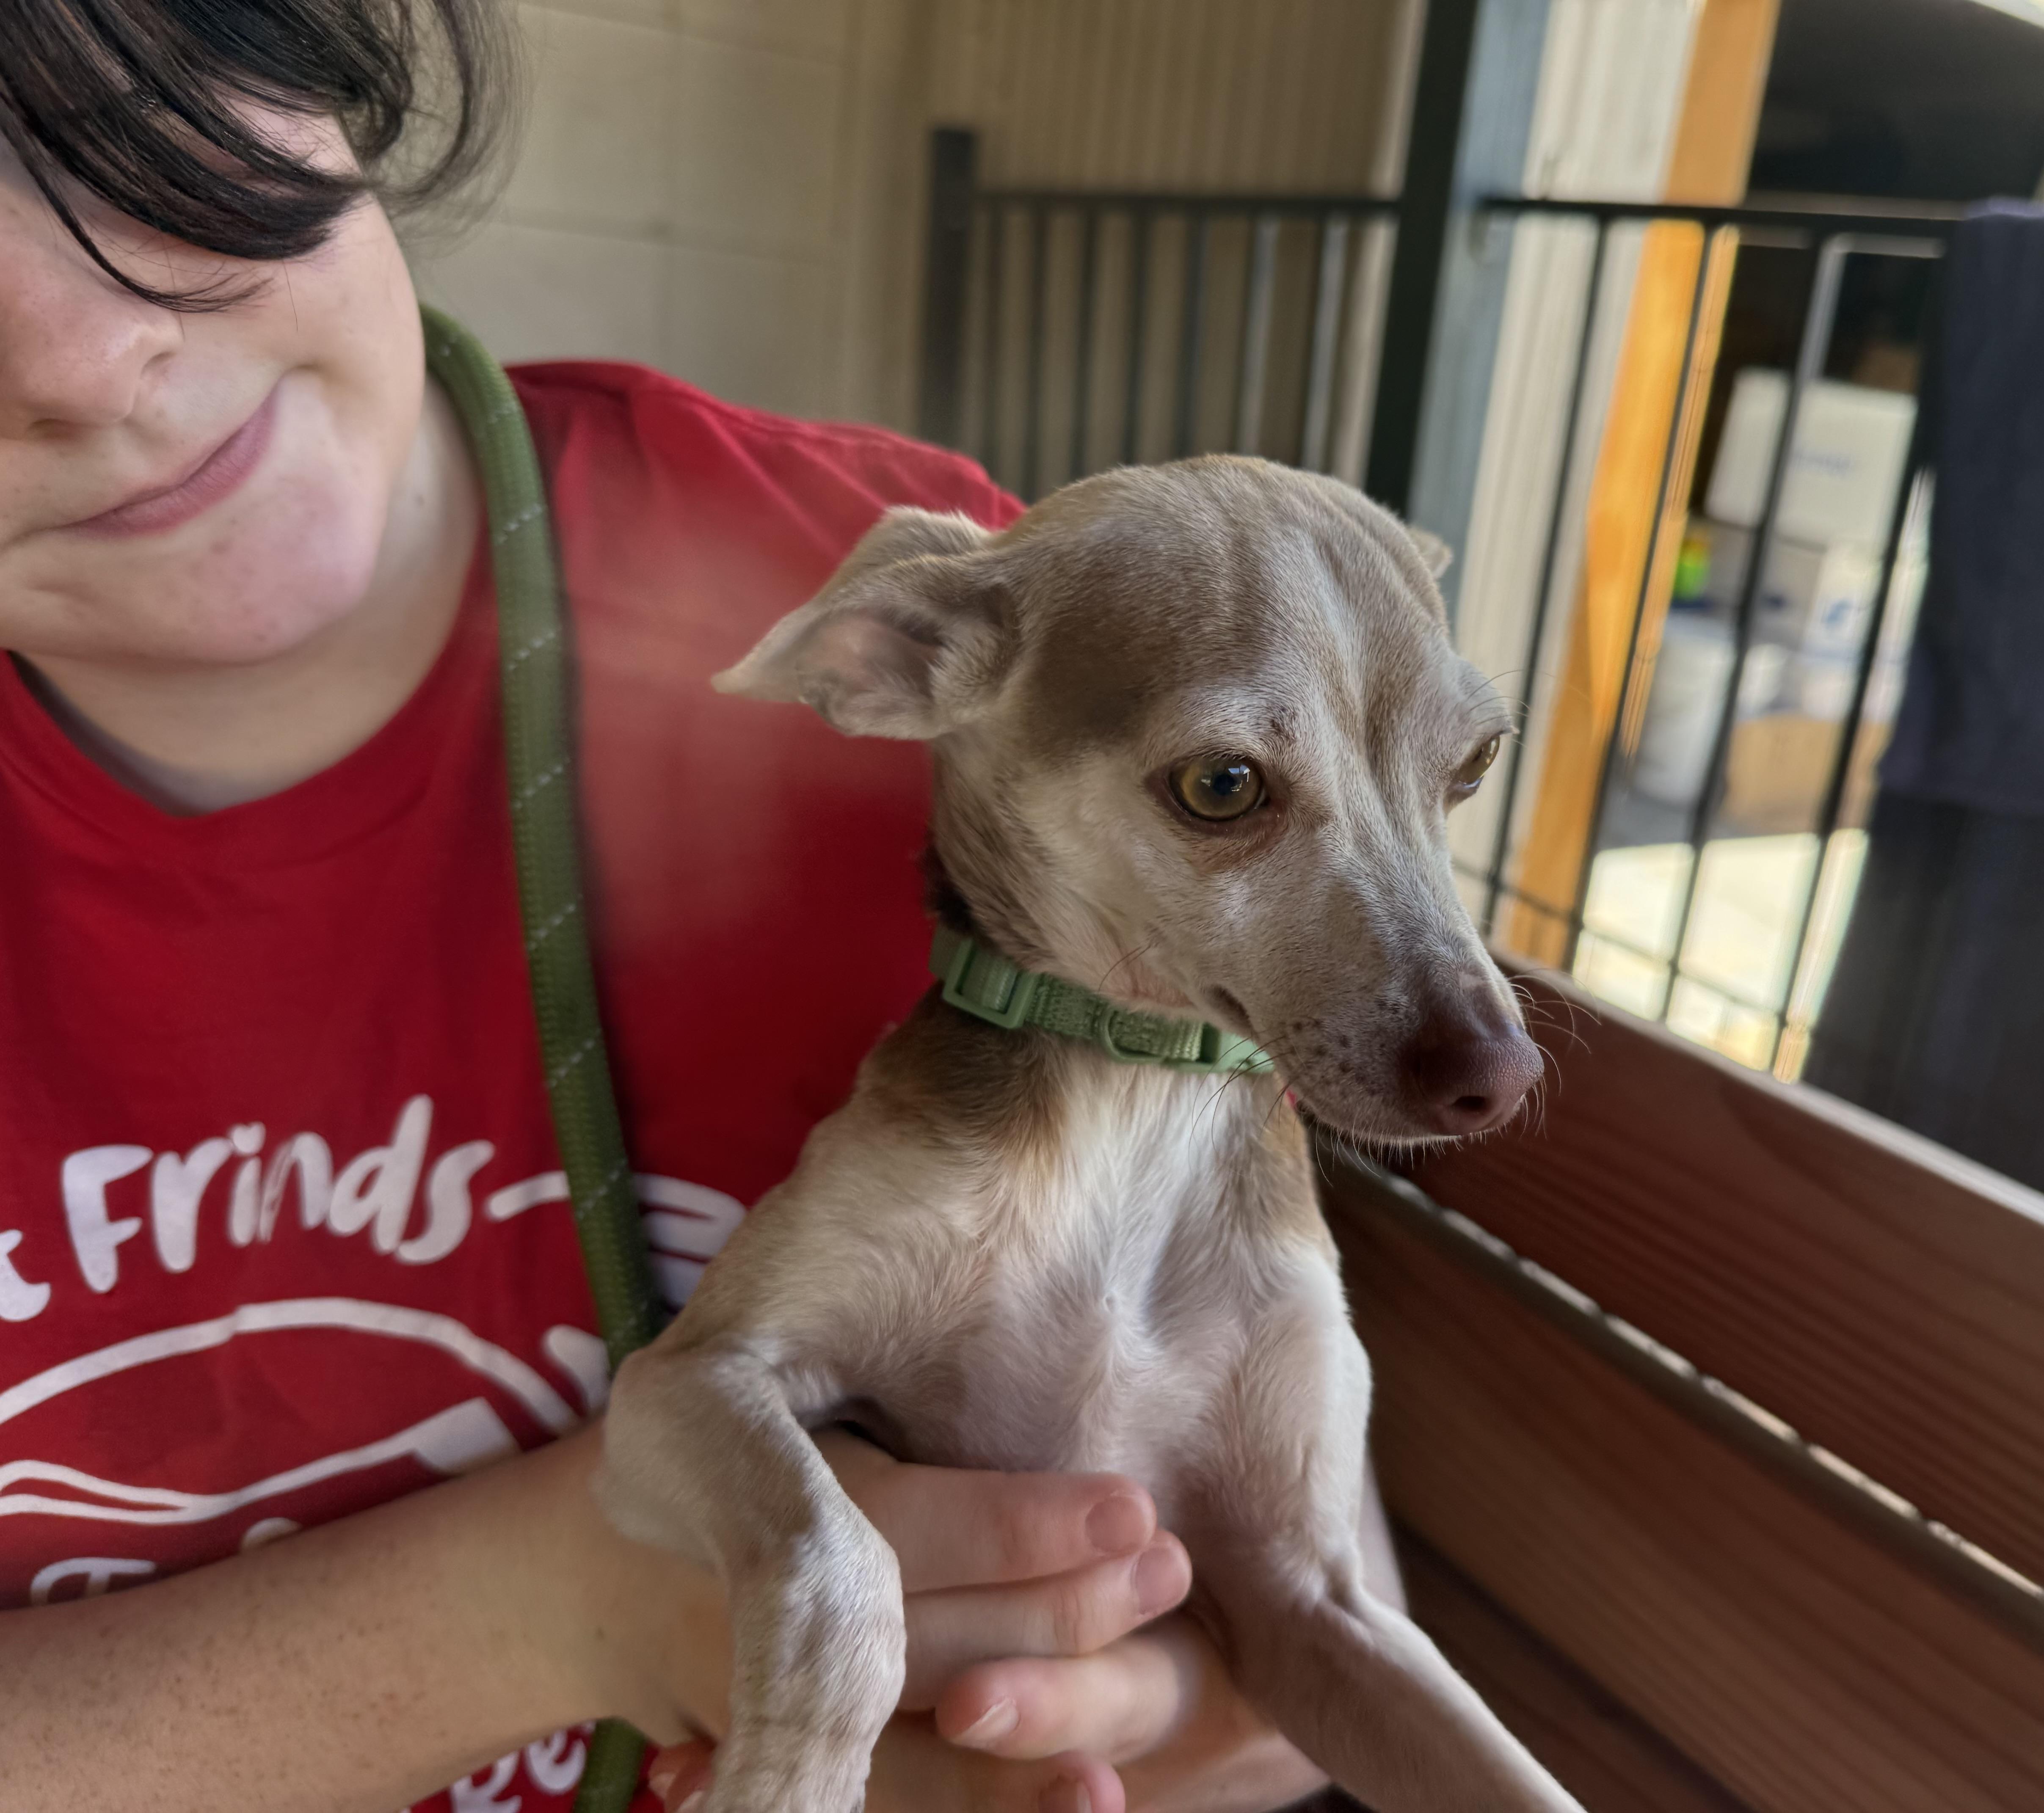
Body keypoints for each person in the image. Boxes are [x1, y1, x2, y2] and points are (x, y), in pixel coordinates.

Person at [0, 3, 1393, 1808]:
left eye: (113, 127)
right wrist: (565, 1604)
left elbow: (1265, 1690)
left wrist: (1127, 1708)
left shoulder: (1004, 681)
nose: (96, 365)